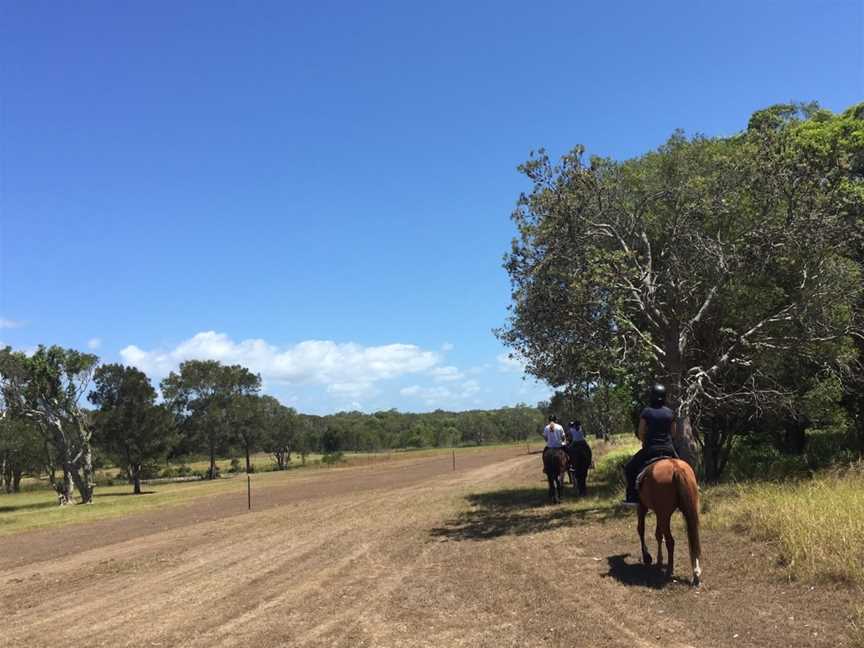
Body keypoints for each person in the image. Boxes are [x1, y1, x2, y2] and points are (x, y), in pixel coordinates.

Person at [622, 384, 678, 505]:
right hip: (669, 449)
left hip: (651, 450)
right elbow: (673, 433)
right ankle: (695, 487)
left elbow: (641, 432)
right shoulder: (670, 412)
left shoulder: (646, 412)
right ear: (664, 397)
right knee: (683, 468)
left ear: (652, 396)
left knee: (629, 468)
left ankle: (632, 497)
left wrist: (644, 440)